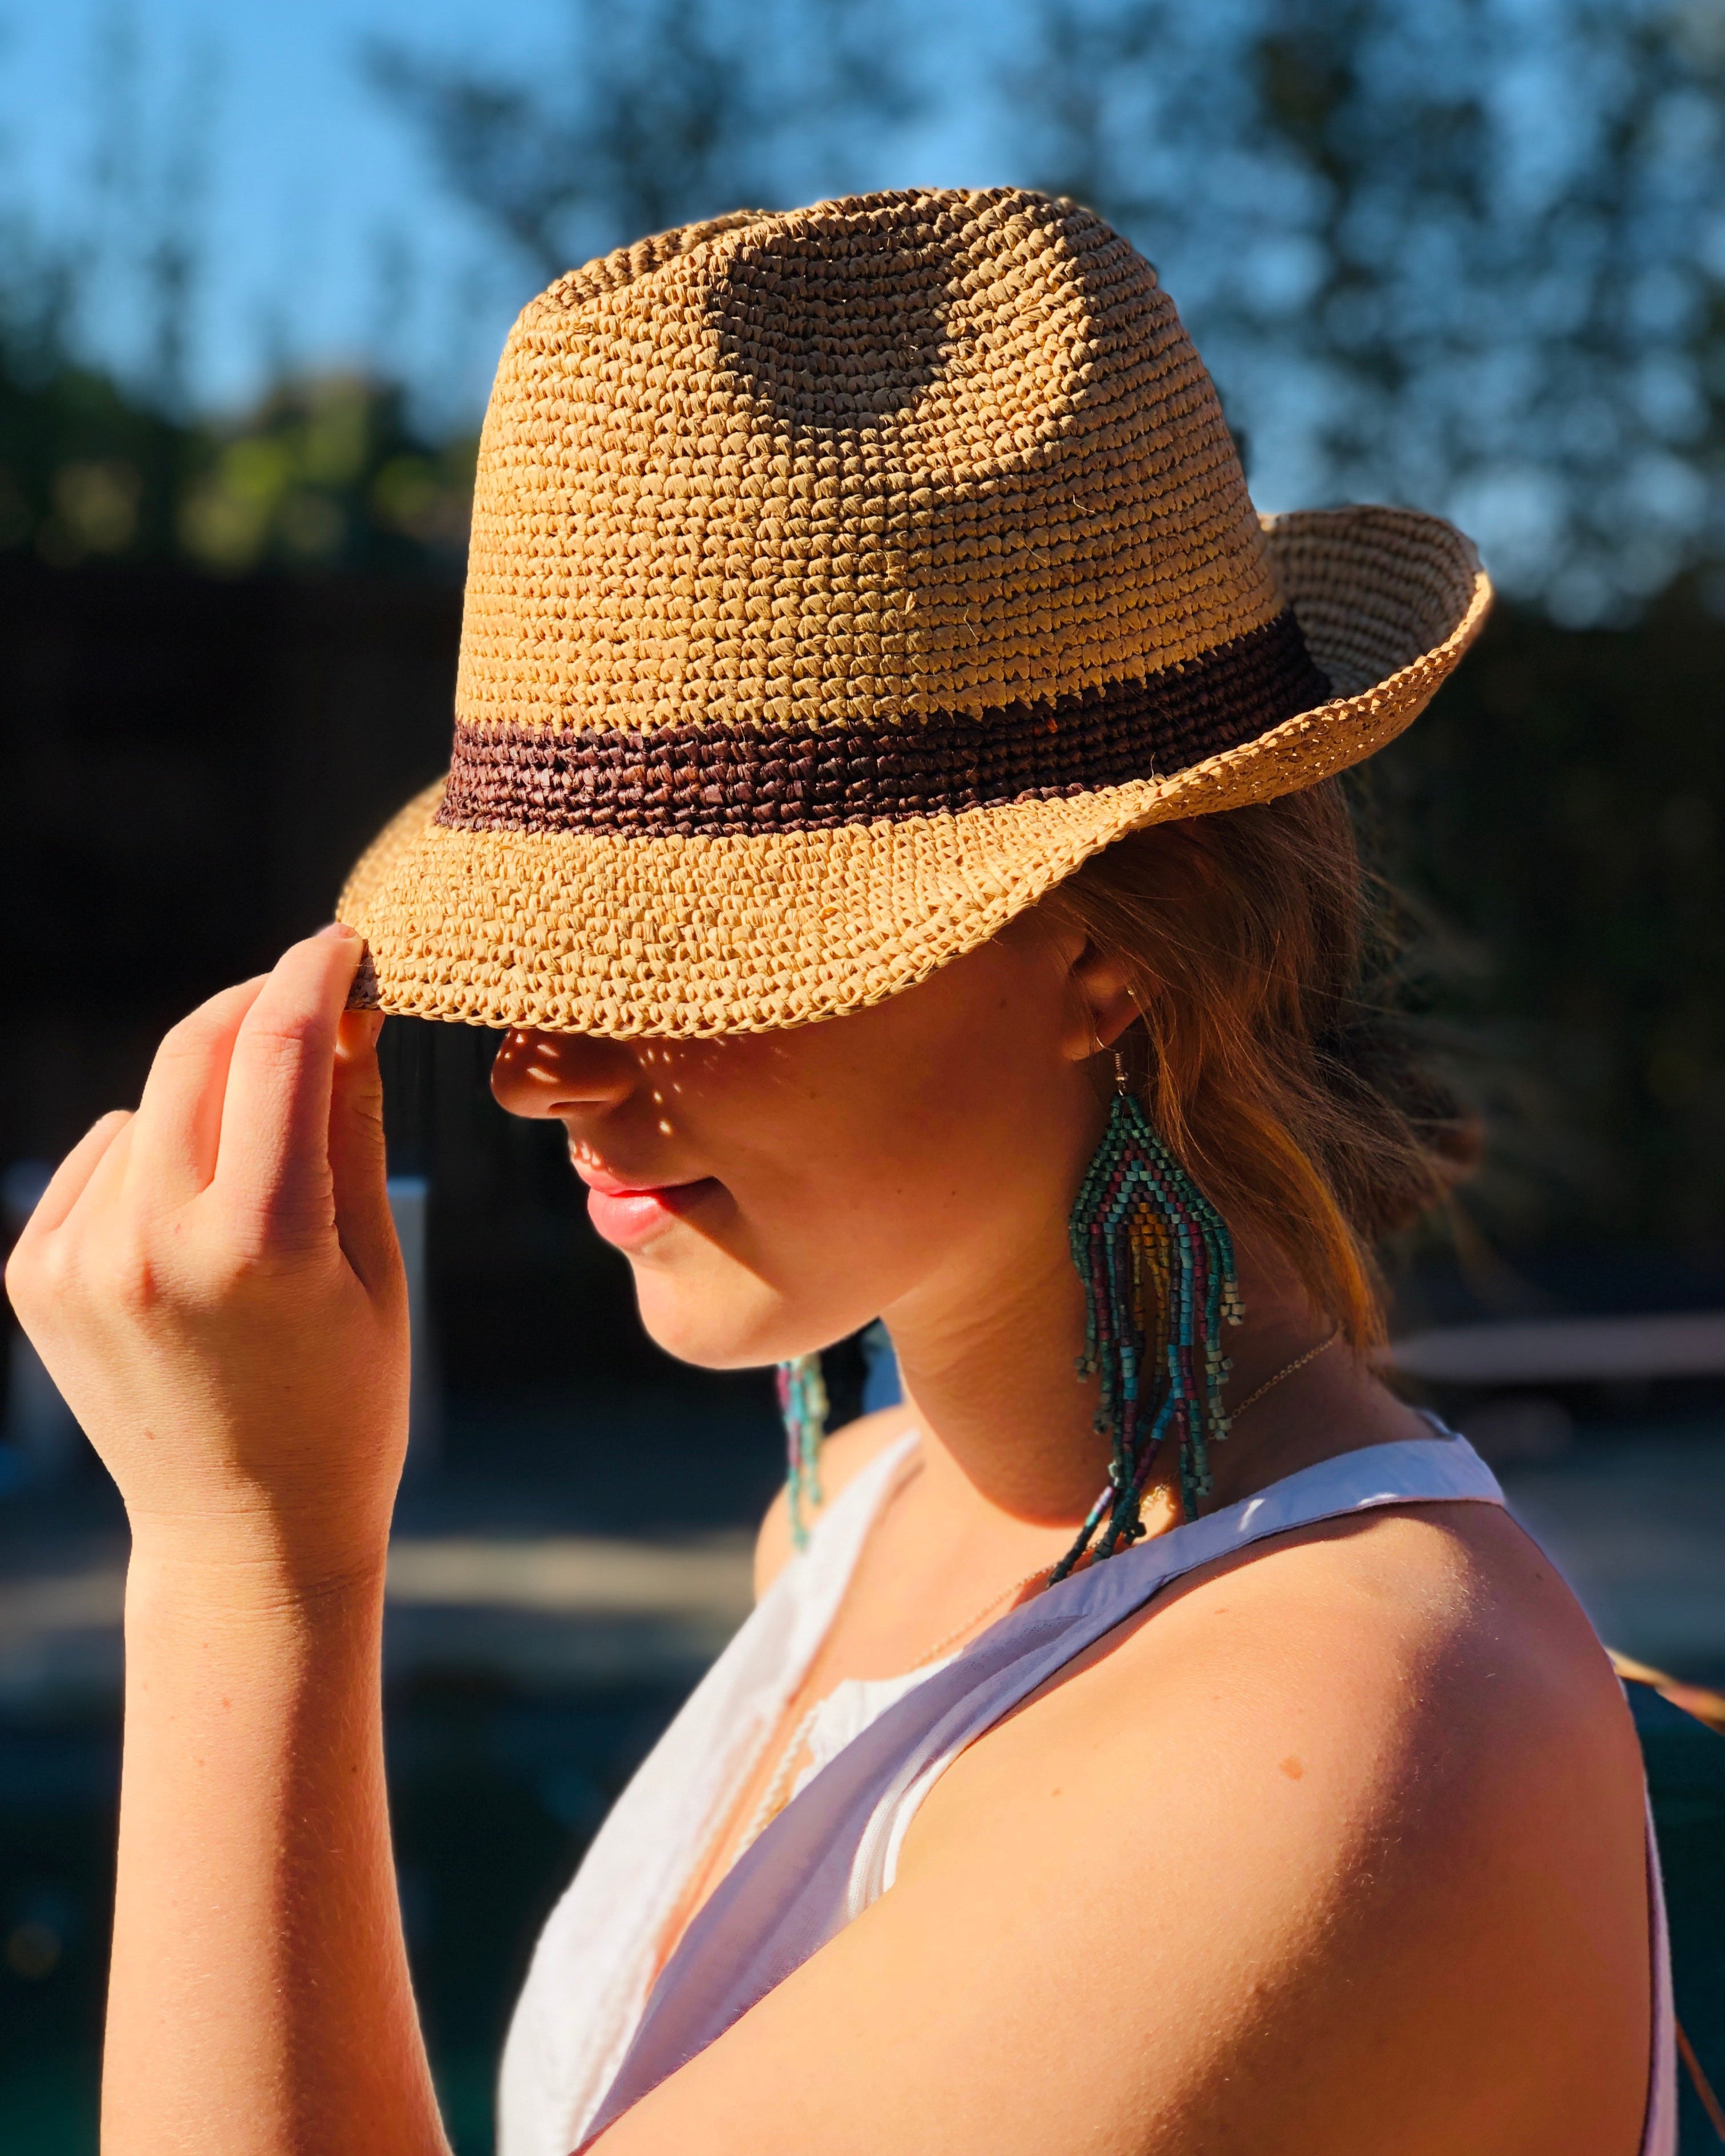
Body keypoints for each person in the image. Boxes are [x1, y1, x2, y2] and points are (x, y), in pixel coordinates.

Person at [6, 189, 1671, 2156]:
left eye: (683, 957)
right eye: (527, 967)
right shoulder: (861, 1510)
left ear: (1113, 940)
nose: (544, 1073)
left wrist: (247, 1568)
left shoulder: (1336, 1724)